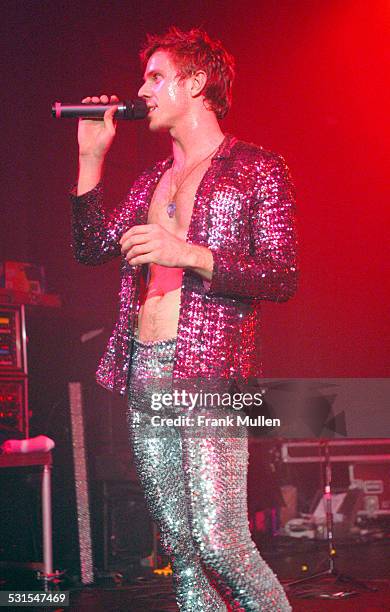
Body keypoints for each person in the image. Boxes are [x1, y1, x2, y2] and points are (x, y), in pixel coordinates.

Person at [71, 26, 297, 611]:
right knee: (181, 547)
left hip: (214, 370)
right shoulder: (150, 180)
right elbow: (93, 244)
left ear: (196, 83)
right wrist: (91, 159)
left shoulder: (256, 169)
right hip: (147, 365)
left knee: (221, 541)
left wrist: (189, 255)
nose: (142, 90)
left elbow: (281, 275)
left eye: (156, 76)